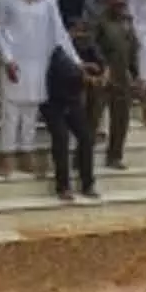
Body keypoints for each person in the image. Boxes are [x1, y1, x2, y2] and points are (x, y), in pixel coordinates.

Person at [0, 0, 82, 177]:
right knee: (11, 112)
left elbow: (59, 34)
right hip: (14, 63)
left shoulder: (48, 2)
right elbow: (0, 31)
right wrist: (7, 59)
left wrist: (77, 62)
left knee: (31, 111)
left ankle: (27, 154)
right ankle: (6, 155)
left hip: (39, 63)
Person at [44, 21, 101, 201]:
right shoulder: (56, 49)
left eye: (83, 31)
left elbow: (100, 63)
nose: (80, 35)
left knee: (86, 137)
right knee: (61, 138)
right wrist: (84, 75)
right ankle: (63, 186)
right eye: (76, 31)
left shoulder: (86, 47)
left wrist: (99, 74)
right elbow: (66, 69)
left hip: (73, 100)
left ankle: (88, 183)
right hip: (54, 101)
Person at [90, 0, 139, 169]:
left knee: (121, 119)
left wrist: (135, 74)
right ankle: (82, 157)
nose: (119, 1)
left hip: (123, 75)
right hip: (103, 75)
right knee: (92, 118)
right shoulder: (99, 20)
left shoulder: (127, 20)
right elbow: (92, 45)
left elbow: (133, 47)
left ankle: (114, 156)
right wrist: (103, 65)